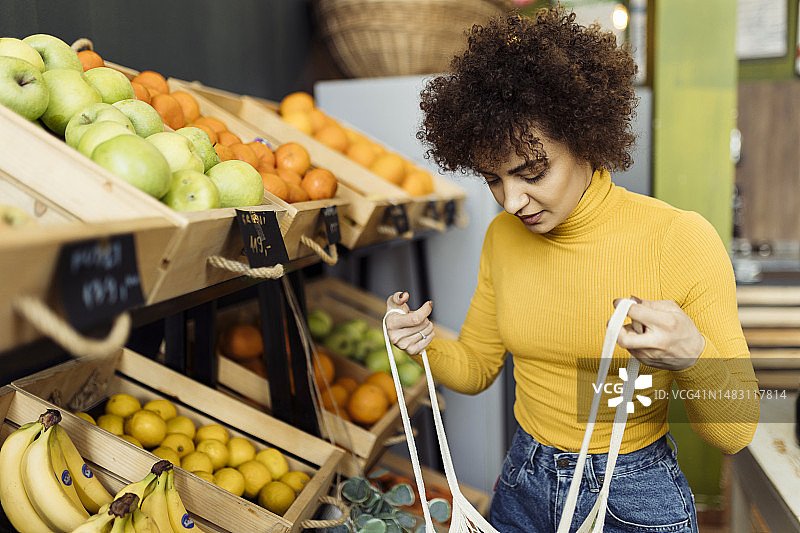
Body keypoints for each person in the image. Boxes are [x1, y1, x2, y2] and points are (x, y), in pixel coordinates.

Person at [384, 5, 759, 533]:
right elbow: (475, 367)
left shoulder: (677, 239)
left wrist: (693, 356)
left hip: (630, 495)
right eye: (493, 179)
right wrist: (422, 340)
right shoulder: (503, 237)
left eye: (531, 172)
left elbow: (737, 430)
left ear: (585, 137)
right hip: (522, 480)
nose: (512, 201)